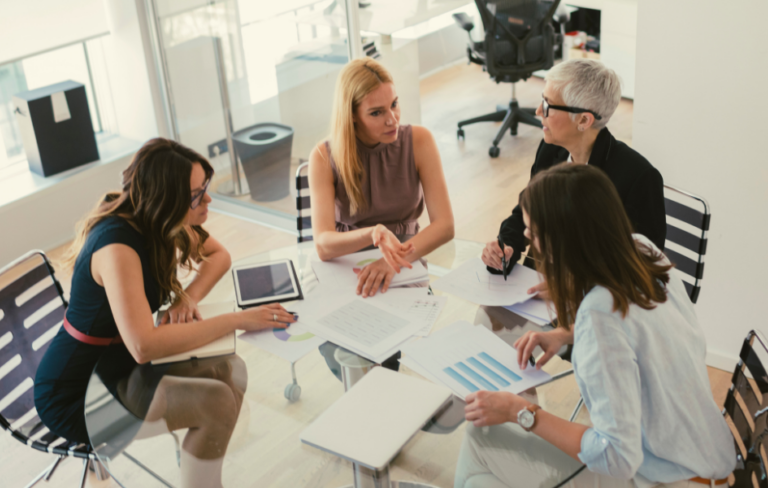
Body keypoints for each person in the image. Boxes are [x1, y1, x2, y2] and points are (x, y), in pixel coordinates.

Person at [33, 138, 295, 487]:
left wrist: (186, 298)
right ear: (167, 200)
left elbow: (220, 256)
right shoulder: (117, 247)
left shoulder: (154, 217)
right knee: (217, 402)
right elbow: (145, 345)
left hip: (121, 363)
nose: (208, 199)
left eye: (204, 189)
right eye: (198, 194)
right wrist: (236, 319)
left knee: (232, 368)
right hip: (81, 391)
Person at [455, 164, 735, 488]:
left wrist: (522, 411)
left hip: (661, 478)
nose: (528, 239)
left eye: (533, 233)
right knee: (479, 478)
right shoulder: (643, 250)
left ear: (560, 240)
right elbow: (636, 328)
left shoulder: (598, 317)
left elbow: (616, 456)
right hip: (703, 461)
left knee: (480, 440)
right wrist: (564, 334)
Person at [482, 59, 666, 298]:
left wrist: (572, 287)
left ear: (583, 120)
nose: (538, 111)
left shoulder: (638, 178)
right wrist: (505, 247)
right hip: (540, 290)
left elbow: (643, 271)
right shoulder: (550, 151)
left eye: (548, 105)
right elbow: (526, 213)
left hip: (601, 305)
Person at [309, 57, 455, 298]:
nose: (392, 119)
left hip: (406, 260)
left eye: (394, 104)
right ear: (352, 115)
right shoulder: (323, 157)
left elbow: (445, 226)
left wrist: (392, 261)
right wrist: (372, 232)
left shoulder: (419, 141)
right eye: (376, 112)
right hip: (345, 265)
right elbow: (324, 246)